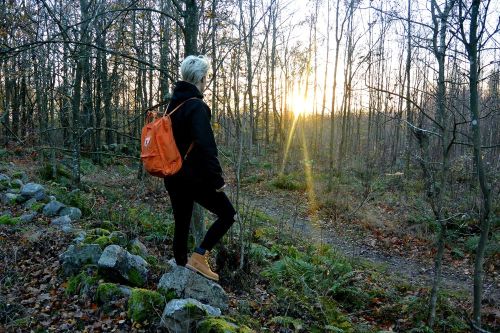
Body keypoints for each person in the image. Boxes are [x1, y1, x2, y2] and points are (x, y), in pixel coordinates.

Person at [164, 55, 236, 282]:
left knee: (182, 221)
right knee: (227, 214)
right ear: (201, 78)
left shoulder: (172, 105)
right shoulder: (196, 106)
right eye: (206, 78)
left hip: (172, 174)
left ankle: (179, 271)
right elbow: (206, 146)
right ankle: (199, 256)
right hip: (193, 178)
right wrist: (217, 180)